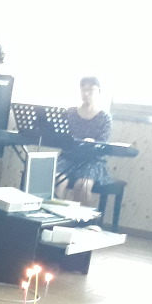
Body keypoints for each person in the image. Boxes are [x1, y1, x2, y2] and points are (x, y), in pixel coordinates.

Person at [55, 76, 113, 206]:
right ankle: (54, 214)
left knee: (82, 186)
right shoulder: (70, 113)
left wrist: (93, 142)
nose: (86, 93)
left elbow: (103, 142)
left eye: (91, 90)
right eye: (83, 90)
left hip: (92, 161)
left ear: (99, 92)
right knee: (58, 181)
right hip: (68, 158)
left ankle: (80, 218)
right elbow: (62, 137)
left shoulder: (104, 117)